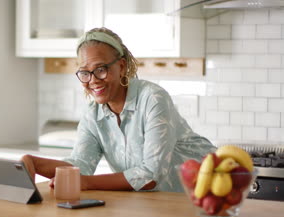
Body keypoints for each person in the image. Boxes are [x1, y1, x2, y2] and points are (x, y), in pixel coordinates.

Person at [21, 27, 216, 192]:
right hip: (156, 202)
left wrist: (86, 183)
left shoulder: (152, 99)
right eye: (85, 73)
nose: (93, 80)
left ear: (121, 66)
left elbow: (151, 174)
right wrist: (34, 163)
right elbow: (80, 164)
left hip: (212, 189)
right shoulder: (93, 114)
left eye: (101, 69)